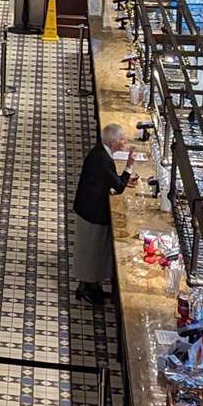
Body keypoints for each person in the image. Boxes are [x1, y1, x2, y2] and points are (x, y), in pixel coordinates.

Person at [71, 123, 135, 304]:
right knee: (90, 251)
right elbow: (119, 186)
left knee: (94, 251)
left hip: (90, 206)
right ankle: (85, 289)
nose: (124, 143)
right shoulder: (103, 159)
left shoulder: (101, 153)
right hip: (92, 212)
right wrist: (129, 166)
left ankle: (93, 286)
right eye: (122, 139)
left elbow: (105, 181)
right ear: (114, 142)